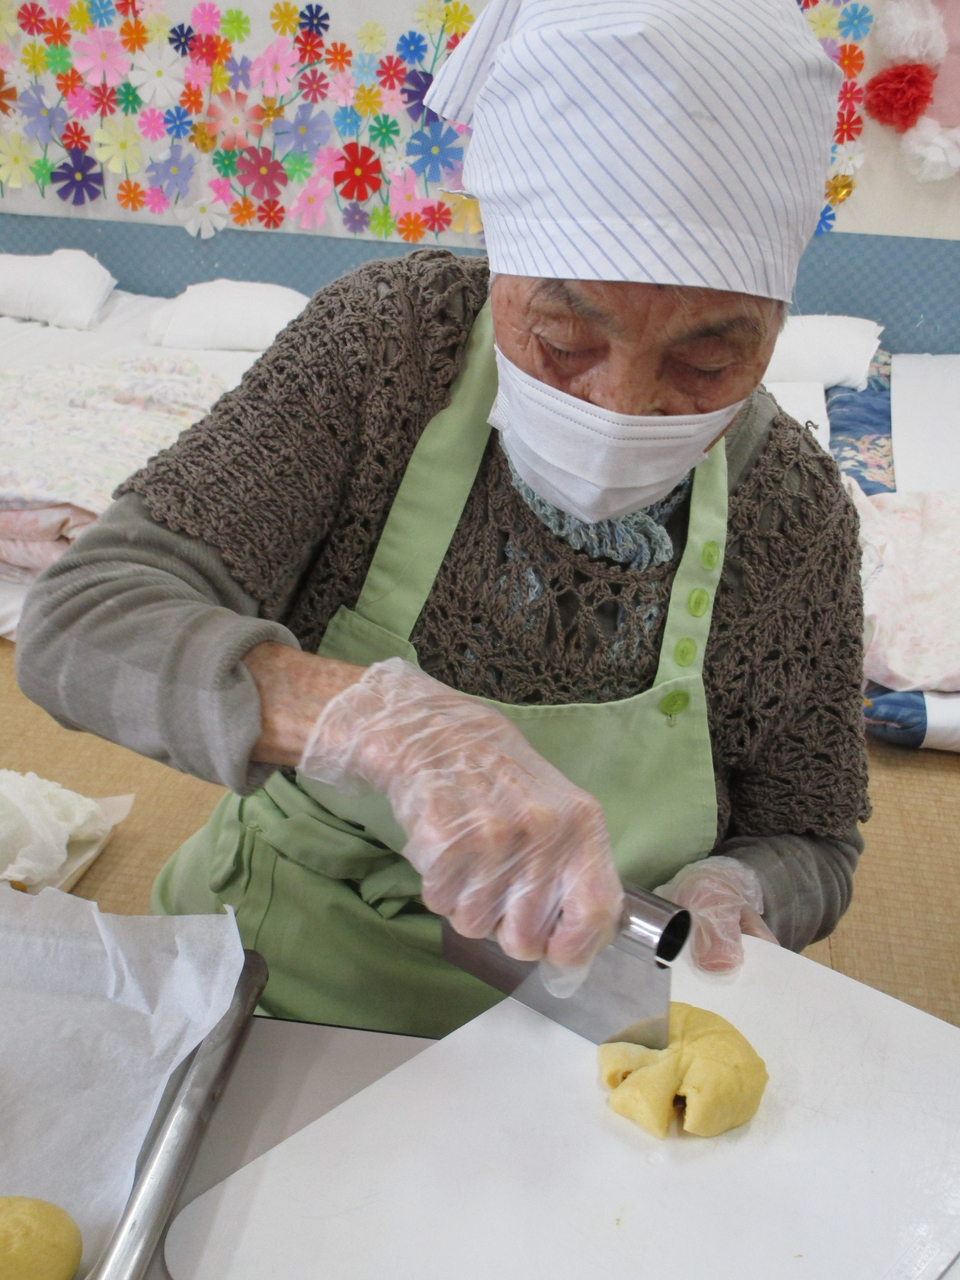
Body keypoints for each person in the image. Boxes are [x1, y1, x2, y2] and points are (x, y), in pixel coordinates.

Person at [17, 0, 869, 1038]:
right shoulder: (389, 353)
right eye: (562, 340)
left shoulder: (794, 513)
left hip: (584, 1032)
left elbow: (812, 835)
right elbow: (83, 622)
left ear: (778, 327)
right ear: (501, 260)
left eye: (705, 362)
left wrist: (740, 891)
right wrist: (371, 723)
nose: (621, 408)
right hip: (275, 981)